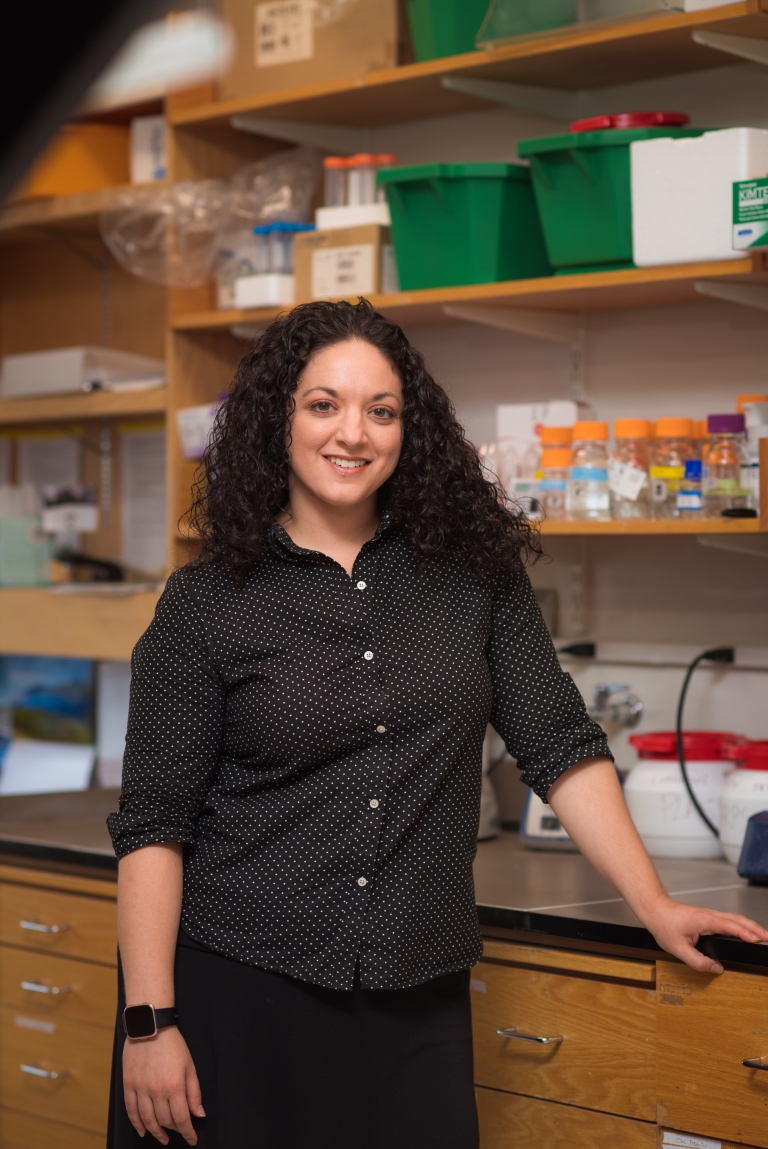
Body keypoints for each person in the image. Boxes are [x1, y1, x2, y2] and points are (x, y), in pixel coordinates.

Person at [107, 299, 768, 1149]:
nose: (353, 433)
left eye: (380, 410)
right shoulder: (205, 603)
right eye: (324, 404)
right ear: (279, 420)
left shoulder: (473, 575)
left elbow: (560, 743)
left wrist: (656, 904)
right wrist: (151, 1022)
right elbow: (155, 828)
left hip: (414, 992)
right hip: (238, 989)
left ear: (407, 431)